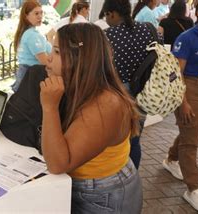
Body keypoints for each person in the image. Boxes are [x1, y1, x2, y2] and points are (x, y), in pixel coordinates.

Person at [40, 23, 142, 213]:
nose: (48, 59)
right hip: (90, 188)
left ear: (80, 58)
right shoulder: (83, 88)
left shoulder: (106, 104)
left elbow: (58, 164)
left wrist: (49, 107)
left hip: (104, 195)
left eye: (56, 52)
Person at [102, 0, 156, 169]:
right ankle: (132, 176)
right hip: (144, 90)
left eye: (106, 16)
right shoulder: (148, 29)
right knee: (135, 140)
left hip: (118, 92)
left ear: (112, 13)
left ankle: (116, 175)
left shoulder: (107, 36)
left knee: (114, 140)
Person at [162, 0, 198, 212]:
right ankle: (193, 189)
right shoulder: (187, 38)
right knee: (191, 141)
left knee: (193, 129)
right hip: (190, 86)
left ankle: (171, 158)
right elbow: (176, 75)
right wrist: (184, 101)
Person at [11, 0, 52, 92]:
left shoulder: (27, 33)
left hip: (27, 76)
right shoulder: (32, 35)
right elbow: (45, 61)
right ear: (26, 16)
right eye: (36, 13)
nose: (40, 16)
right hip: (32, 78)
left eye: (41, 13)